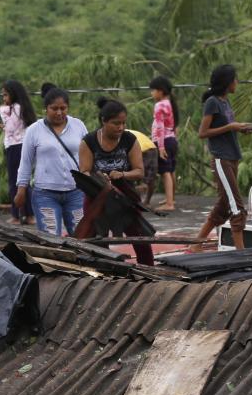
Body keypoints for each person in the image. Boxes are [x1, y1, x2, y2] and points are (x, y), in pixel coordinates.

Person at [76, 97, 155, 266]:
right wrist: (99, 177)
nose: (120, 127)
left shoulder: (129, 140)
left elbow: (139, 171)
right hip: (97, 195)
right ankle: (104, 274)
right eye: (115, 123)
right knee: (97, 240)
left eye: (123, 123)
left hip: (124, 195)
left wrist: (123, 175)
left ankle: (149, 271)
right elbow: (84, 172)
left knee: (140, 237)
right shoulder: (88, 141)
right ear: (103, 121)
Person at [191, 64, 252, 251]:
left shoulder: (225, 102)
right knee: (237, 207)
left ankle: (196, 245)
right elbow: (203, 133)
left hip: (232, 157)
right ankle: (241, 253)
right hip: (221, 159)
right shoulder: (212, 102)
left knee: (223, 206)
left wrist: (241, 129)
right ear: (228, 82)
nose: (237, 82)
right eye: (235, 79)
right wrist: (230, 127)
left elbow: (227, 128)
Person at [15, 86, 88, 236]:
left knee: (82, 238)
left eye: (63, 108)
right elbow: (26, 162)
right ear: (46, 109)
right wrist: (21, 190)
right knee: (52, 239)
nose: (59, 112)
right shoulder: (34, 130)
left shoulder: (78, 126)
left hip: (76, 192)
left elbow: (89, 155)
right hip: (45, 194)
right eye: (54, 108)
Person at [0, 80, 37, 225]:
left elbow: (10, 128)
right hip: (22, 145)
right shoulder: (22, 108)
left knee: (16, 181)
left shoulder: (15, 108)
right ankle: (28, 214)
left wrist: (4, 113)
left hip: (15, 147)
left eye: (6, 95)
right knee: (23, 180)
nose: (4, 99)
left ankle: (18, 215)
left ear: (13, 95)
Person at [149, 75, 179, 211]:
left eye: (153, 90)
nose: (151, 93)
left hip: (164, 141)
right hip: (171, 139)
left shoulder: (160, 105)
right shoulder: (170, 103)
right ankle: (170, 198)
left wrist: (160, 147)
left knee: (165, 171)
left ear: (160, 91)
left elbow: (160, 127)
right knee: (171, 169)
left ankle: (170, 204)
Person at [128, 129, 158, 205]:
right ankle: (147, 201)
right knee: (150, 178)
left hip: (141, 150)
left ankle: (135, 199)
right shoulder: (125, 132)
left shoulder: (118, 134)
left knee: (134, 174)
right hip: (152, 147)